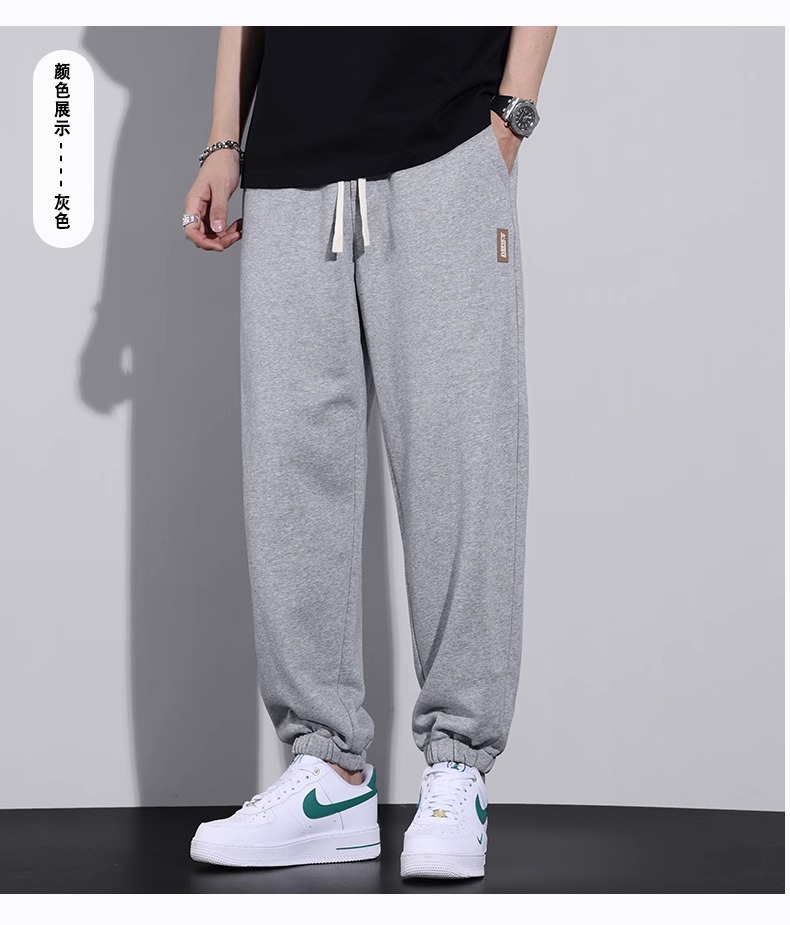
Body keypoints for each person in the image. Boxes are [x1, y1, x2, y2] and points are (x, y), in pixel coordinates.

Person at [182, 25, 556, 880]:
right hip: (288, 158)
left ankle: (458, 768)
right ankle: (329, 775)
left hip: (445, 141)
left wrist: (512, 117)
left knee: (462, 463)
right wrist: (224, 139)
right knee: (289, 468)